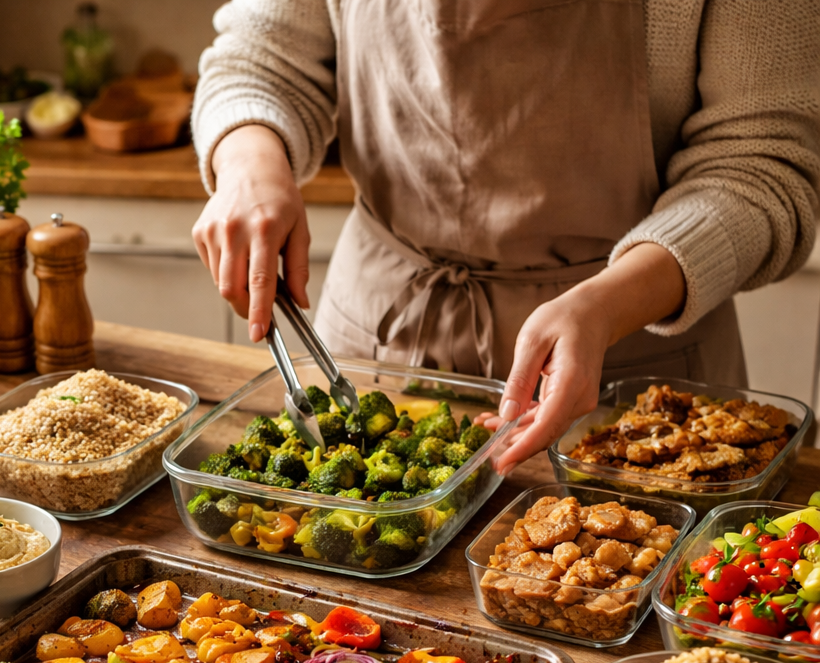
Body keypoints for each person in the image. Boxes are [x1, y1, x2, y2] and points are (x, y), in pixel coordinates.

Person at [191, 1, 820, 472]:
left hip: (634, 364)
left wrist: (607, 306)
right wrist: (248, 164)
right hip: (377, 331)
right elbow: (262, 57)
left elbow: (762, 166)